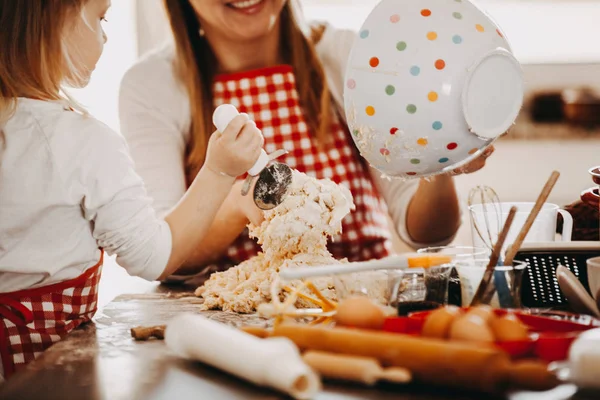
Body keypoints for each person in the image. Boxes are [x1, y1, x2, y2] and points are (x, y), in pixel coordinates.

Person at [119, 0, 494, 283]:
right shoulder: (153, 85)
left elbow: (427, 234)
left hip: (360, 299)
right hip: (230, 315)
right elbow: (166, 256)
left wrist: (440, 163)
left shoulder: (350, 57)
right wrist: (243, 202)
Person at [0, 0, 262, 380]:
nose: (106, 35)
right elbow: (152, 258)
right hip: (48, 377)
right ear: (54, 19)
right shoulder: (82, 142)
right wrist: (219, 171)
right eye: (99, 17)